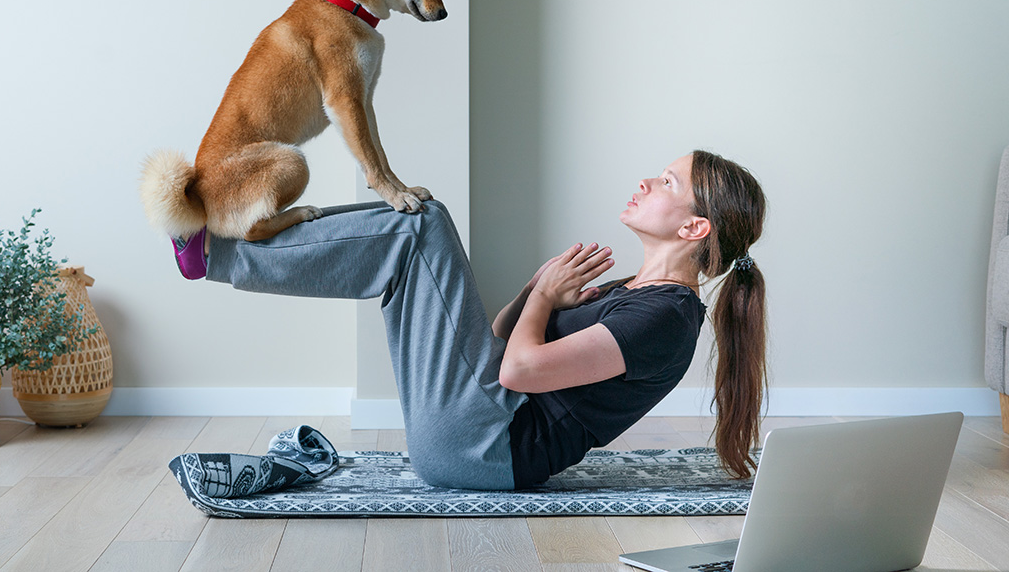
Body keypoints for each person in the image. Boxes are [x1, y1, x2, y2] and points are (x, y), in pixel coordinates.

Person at [172, 149, 767, 490]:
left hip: (487, 449)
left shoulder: (665, 317)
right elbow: (499, 344)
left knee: (421, 223)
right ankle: (224, 247)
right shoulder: (636, 292)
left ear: (694, 229)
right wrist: (536, 291)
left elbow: (520, 373)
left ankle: (220, 250)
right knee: (411, 235)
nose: (645, 180)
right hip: (476, 433)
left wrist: (543, 300)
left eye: (667, 182)